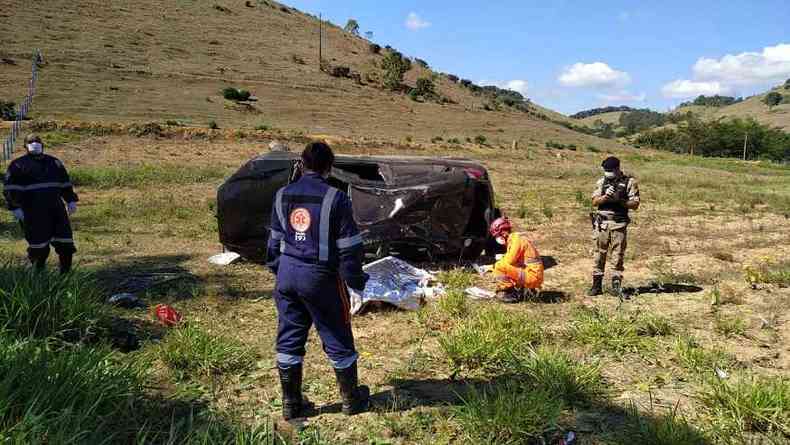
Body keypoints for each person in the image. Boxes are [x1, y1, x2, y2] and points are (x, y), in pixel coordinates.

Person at [266, 141, 370, 421]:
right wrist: (356, 281)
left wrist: (281, 272)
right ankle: (351, 400)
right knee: (336, 335)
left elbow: (273, 242)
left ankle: (291, 405)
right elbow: (349, 248)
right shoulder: (336, 198)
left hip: (287, 275)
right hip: (320, 277)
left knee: (289, 337)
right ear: (329, 167)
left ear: (302, 164)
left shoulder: (282, 195)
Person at [3, 134, 78, 273]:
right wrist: (14, 207)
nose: (35, 144)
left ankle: (65, 274)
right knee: (38, 247)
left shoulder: (54, 163)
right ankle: (39, 276)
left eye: (37, 141)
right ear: (25, 146)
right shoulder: (18, 165)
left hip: (56, 209)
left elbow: (65, 183)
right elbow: (9, 188)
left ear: (42, 144)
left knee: (65, 243)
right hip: (32, 211)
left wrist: (70, 200)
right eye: (31, 142)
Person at [588, 156, 640, 297]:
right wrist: (605, 197)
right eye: (606, 171)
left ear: (618, 168)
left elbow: (635, 204)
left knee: (617, 256)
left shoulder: (629, 182)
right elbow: (594, 201)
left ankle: (616, 286)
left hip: (618, 224)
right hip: (602, 224)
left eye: (610, 170)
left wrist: (620, 200)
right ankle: (596, 286)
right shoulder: (601, 181)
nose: (608, 173)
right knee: (599, 254)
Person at [489, 216, 544, 303]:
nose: (497, 238)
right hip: (532, 274)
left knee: (499, 266)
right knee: (506, 266)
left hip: (532, 276)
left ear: (503, 232)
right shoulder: (514, 239)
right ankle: (527, 291)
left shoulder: (516, 240)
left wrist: (492, 267)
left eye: (497, 235)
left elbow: (508, 261)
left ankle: (509, 293)